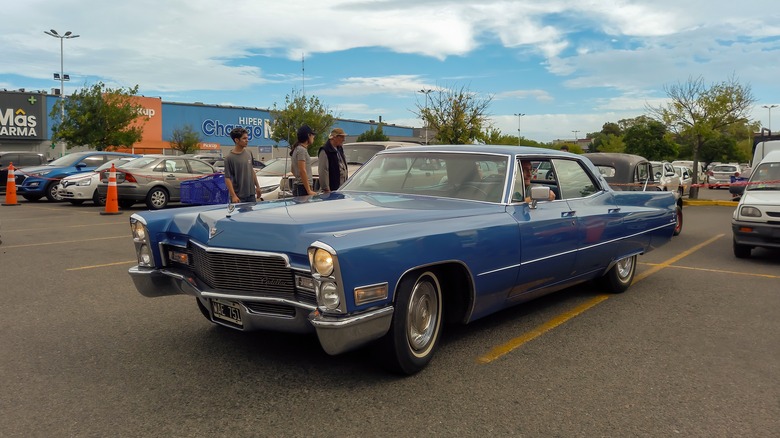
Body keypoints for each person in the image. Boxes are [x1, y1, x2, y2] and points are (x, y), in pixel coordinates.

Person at [224, 127, 262, 203]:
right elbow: (227, 178)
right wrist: (233, 196)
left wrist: (257, 187)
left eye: (247, 138)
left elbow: (251, 170)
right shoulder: (229, 158)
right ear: (236, 140)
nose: (247, 140)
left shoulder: (249, 152)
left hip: (251, 195)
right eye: (244, 138)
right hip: (239, 197)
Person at [318, 128, 348, 193]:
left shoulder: (340, 149)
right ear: (334, 137)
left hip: (341, 188)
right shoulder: (325, 150)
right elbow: (323, 171)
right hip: (331, 189)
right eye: (341, 137)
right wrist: (326, 188)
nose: (343, 140)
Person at [291, 125, 317, 196]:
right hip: (302, 188)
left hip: (300, 186)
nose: (313, 137)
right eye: (312, 135)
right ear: (308, 135)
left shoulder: (296, 149)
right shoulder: (301, 150)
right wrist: (308, 190)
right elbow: (302, 170)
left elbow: (293, 170)